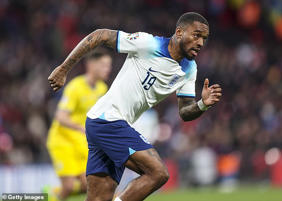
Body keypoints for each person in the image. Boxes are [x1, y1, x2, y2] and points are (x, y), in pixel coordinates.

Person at [48, 12, 222, 201]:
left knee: (98, 198)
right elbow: (101, 34)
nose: (200, 43)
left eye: (204, 38)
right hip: (108, 120)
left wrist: (202, 104)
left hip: (103, 123)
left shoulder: (189, 69)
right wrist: (64, 68)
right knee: (158, 173)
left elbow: (185, 111)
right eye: (196, 35)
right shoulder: (148, 44)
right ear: (179, 32)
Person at [46, 50, 112, 200]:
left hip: (81, 142)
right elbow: (60, 116)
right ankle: (53, 194)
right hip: (62, 140)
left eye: (108, 65)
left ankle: (54, 193)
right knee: (69, 186)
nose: (107, 69)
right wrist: (82, 128)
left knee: (89, 185)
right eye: (103, 65)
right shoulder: (75, 87)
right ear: (90, 65)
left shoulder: (102, 89)